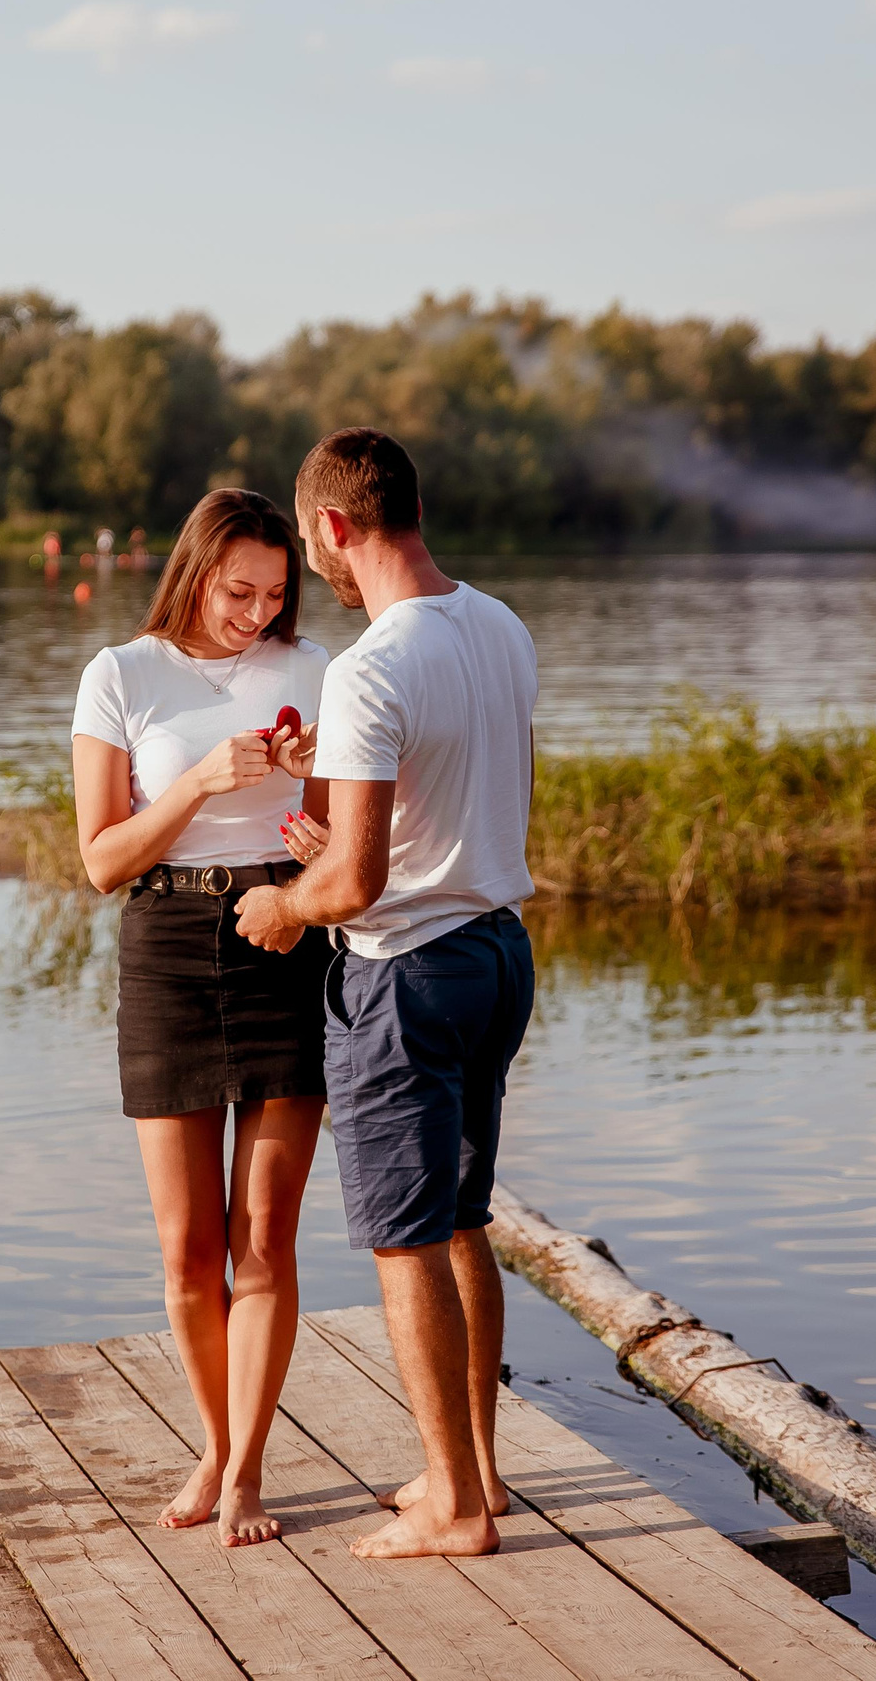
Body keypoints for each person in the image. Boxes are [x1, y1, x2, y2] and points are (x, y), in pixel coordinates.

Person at [237, 427, 538, 1561]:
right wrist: (343, 850)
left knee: (406, 1242)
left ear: (329, 527)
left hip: (407, 975)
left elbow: (355, 883)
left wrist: (284, 905)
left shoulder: (369, 666)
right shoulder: (499, 624)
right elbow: (447, 811)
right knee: (462, 1221)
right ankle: (478, 1475)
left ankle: (454, 1512)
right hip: (496, 950)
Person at [69, 487, 334, 1548]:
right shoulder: (121, 675)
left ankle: (245, 1474)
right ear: (192, 573)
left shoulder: (313, 672)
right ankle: (214, 1440)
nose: (257, 615)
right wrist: (194, 788)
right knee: (188, 1250)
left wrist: (317, 835)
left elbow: (341, 825)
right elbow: (98, 862)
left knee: (264, 1235)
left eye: (275, 594)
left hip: (283, 938)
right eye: (238, 591)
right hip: (167, 948)